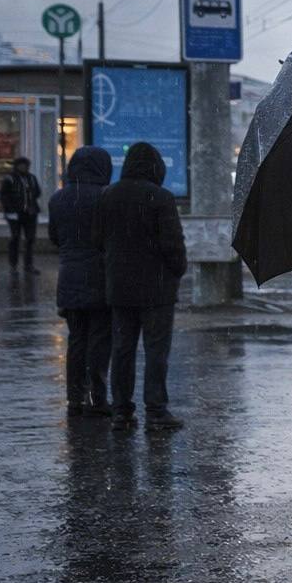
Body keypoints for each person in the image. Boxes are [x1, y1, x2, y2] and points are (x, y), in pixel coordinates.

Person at [95, 142, 186, 432]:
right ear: (155, 167)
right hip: (156, 289)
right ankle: (156, 410)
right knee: (156, 351)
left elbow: (98, 239)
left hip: (120, 287)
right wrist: (177, 269)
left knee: (122, 350)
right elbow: (172, 244)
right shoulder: (160, 197)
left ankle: (121, 411)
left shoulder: (108, 195)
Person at [47, 146, 114, 417]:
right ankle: (97, 398)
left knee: (76, 340)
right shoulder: (105, 196)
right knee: (99, 340)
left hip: (69, 277)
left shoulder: (58, 198)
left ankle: (74, 397)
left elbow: (54, 237)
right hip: (100, 276)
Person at [0, 155, 42, 275]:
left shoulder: (32, 178)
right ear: (17, 166)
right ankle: (13, 266)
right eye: (21, 165)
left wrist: (30, 201)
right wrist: (11, 208)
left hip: (30, 213)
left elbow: (37, 192)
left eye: (25, 165)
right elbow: (3, 195)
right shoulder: (10, 178)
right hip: (15, 215)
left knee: (30, 239)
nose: (23, 167)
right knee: (15, 238)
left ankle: (28, 265)